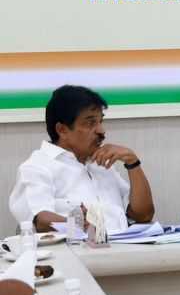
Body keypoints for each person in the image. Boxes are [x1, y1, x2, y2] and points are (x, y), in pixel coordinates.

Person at [9, 85, 155, 233]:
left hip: (123, 249)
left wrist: (132, 163)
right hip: (74, 252)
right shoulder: (37, 166)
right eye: (90, 123)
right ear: (62, 130)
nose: (101, 130)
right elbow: (39, 219)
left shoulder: (102, 163)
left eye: (100, 121)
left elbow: (143, 216)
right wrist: (80, 225)